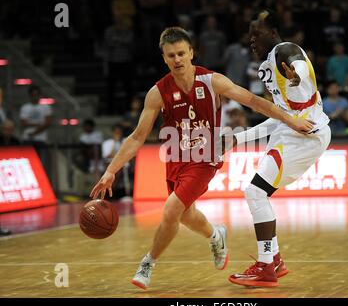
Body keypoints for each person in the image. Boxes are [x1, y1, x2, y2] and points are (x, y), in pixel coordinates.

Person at [90, 27, 314, 290]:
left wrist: (291, 119)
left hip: (205, 158)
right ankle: (215, 235)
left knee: (172, 209)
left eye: (182, 53)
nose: (177, 59)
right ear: (163, 57)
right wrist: (111, 171)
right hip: (176, 157)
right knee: (185, 215)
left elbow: (253, 100)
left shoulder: (212, 81)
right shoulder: (158, 92)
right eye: (171, 55)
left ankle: (147, 264)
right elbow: (138, 136)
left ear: (191, 53)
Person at [225, 10, 331, 288]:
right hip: (292, 132)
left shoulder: (284, 50)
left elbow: (298, 65)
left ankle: (266, 266)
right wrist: (239, 138)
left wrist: (297, 76)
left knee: (255, 192)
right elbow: (280, 118)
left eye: (256, 34)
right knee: (260, 193)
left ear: (272, 32)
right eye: (249, 36)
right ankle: (274, 261)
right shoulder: (269, 64)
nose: (251, 40)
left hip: (305, 134)